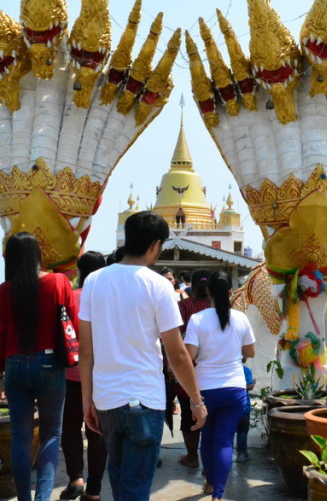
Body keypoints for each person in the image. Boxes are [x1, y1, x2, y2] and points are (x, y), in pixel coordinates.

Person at [79, 211, 207, 501]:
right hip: (145, 400)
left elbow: (86, 351)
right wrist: (197, 401)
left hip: (107, 399)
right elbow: (176, 353)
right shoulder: (160, 285)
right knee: (135, 489)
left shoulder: (94, 281)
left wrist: (88, 401)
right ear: (154, 245)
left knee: (120, 480)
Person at [0, 232, 77, 501]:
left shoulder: (5, 290)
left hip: (15, 364)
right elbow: (73, 323)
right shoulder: (59, 282)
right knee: (51, 435)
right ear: (38, 255)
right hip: (50, 364)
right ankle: (42, 498)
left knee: (21, 437)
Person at [183, 271, 256, 500]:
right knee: (225, 441)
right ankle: (218, 495)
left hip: (205, 390)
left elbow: (190, 356)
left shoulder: (197, 319)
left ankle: (210, 483)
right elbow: (250, 352)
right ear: (230, 292)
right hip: (235, 389)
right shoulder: (241, 318)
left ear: (208, 291)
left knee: (208, 438)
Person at [60, 251, 107, 501]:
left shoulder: (72, 297)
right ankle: (94, 490)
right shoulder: (110, 300)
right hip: (102, 377)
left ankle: (76, 478)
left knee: (70, 428)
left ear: (79, 272)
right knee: (97, 432)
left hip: (71, 375)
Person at [175, 269, 213, 468]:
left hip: (190, 369)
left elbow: (176, 336)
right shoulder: (219, 307)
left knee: (188, 415)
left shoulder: (184, 306)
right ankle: (210, 463)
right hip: (213, 370)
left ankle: (192, 457)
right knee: (212, 417)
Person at [234, 360, 255, 462]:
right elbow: (249, 386)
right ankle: (242, 454)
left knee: (227, 432)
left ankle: (225, 454)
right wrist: (253, 383)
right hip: (243, 407)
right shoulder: (245, 370)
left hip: (229, 407)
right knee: (242, 431)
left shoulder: (226, 370)